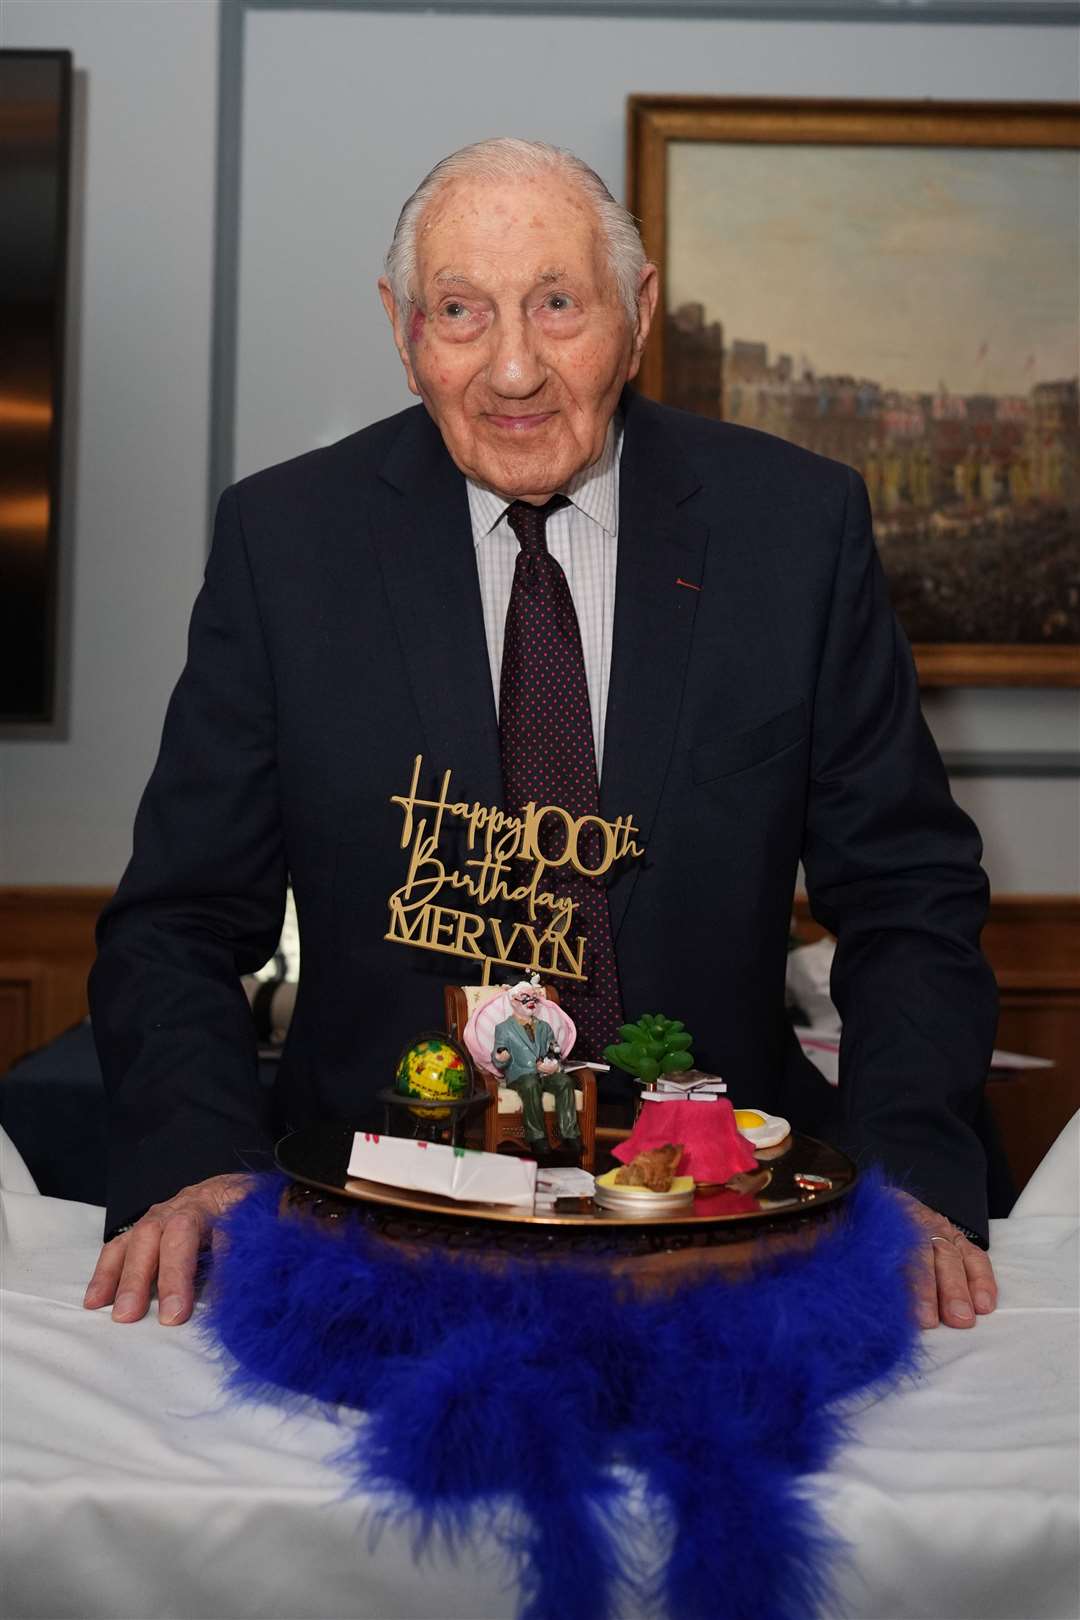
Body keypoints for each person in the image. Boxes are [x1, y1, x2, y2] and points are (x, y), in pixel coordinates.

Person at [84, 137, 998, 1336]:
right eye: (461, 311)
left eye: (558, 305)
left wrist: (913, 1186)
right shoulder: (284, 543)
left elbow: (909, 894)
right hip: (376, 1229)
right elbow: (179, 921)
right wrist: (197, 1161)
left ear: (638, 312)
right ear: (403, 330)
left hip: (728, 1229)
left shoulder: (795, 530)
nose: (514, 367)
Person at [491, 981, 582, 1162]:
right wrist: (501, 1057)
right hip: (520, 1076)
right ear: (514, 1001)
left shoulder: (544, 1027)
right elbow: (497, 1054)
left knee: (564, 1081)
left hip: (544, 1074)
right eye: (526, 998)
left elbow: (554, 1050)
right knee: (530, 1084)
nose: (531, 1002)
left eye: (533, 998)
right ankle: (537, 1137)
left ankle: (569, 1133)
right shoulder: (504, 1028)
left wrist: (554, 1065)